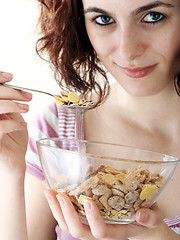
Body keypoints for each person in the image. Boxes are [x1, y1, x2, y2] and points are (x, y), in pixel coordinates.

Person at [0, 0, 180, 239]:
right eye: (104, 20)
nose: (127, 50)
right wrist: (11, 171)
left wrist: (156, 235)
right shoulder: (57, 131)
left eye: (153, 16)